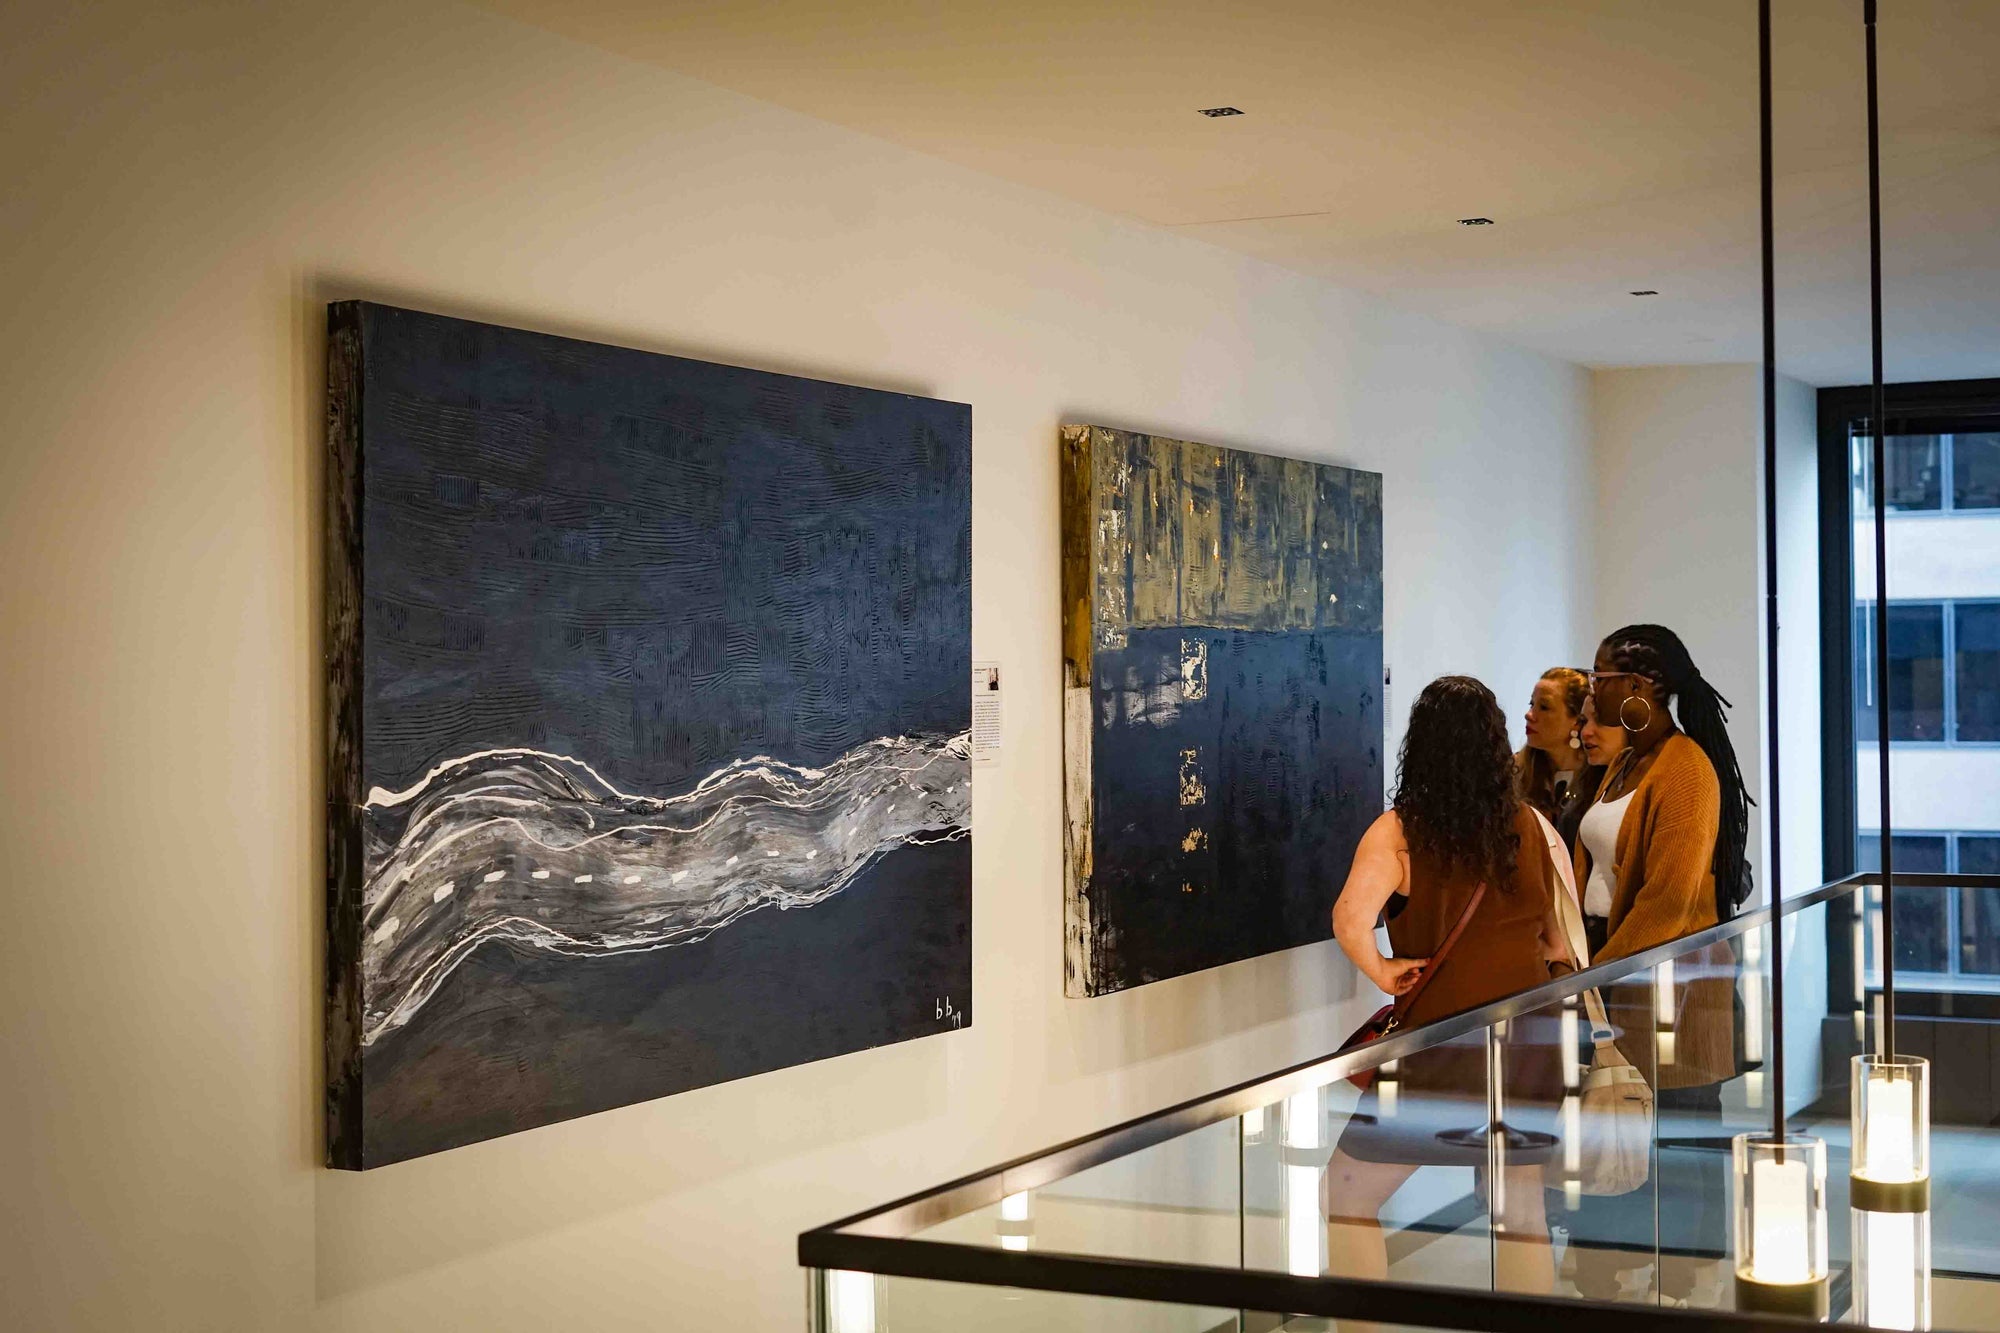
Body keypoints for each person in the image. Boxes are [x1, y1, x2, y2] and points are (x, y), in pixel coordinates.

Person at [1326, 676, 1574, 1301]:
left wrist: (1384, 971)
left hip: (1442, 1046)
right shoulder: (1527, 826)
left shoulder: (1402, 832)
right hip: (1528, 1043)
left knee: (1346, 1193)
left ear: (1422, 747)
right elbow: (1553, 943)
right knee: (1520, 1213)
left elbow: (1350, 919)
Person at [1563, 623, 1749, 1305]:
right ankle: (1613, 1278)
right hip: (1614, 969)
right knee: (1619, 1129)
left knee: (1676, 1133)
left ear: (1640, 687)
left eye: (1600, 675)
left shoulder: (1686, 767)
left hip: (1670, 980)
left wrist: (1594, 980)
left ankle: (1678, 1288)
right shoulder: (1625, 762)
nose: (1590, 687)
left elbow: (1668, 901)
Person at [1516, 666, 1601, 851]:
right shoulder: (1515, 772)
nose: (1529, 715)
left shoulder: (1600, 778)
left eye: (1544, 707)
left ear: (1577, 720)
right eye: (1532, 704)